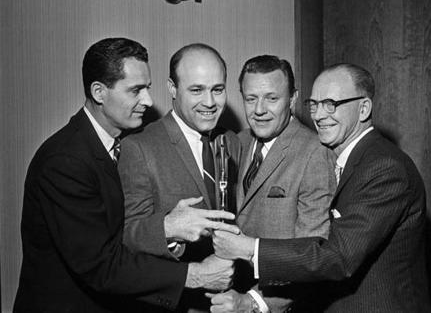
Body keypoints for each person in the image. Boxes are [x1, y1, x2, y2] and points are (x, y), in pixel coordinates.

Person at [13, 38, 238, 313]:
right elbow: (101, 265)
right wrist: (196, 274)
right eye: (136, 91)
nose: (148, 100)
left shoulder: (109, 144)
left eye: (147, 88)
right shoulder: (64, 160)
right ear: (99, 92)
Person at [212, 63, 431, 312]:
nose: (318, 115)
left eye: (331, 104)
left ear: (364, 108)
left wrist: (250, 249)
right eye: (314, 105)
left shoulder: (385, 167)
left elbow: (338, 256)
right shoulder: (348, 158)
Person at [206, 55, 335, 313]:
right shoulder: (236, 143)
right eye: (251, 99)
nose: (259, 110)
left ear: (293, 99)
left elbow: (312, 254)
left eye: (272, 98)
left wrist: (254, 302)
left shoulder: (315, 153)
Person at [118, 43, 241, 312]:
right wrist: (169, 230)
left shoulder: (231, 142)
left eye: (217, 90)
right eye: (196, 90)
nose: (209, 102)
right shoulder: (139, 147)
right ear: (172, 88)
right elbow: (127, 237)